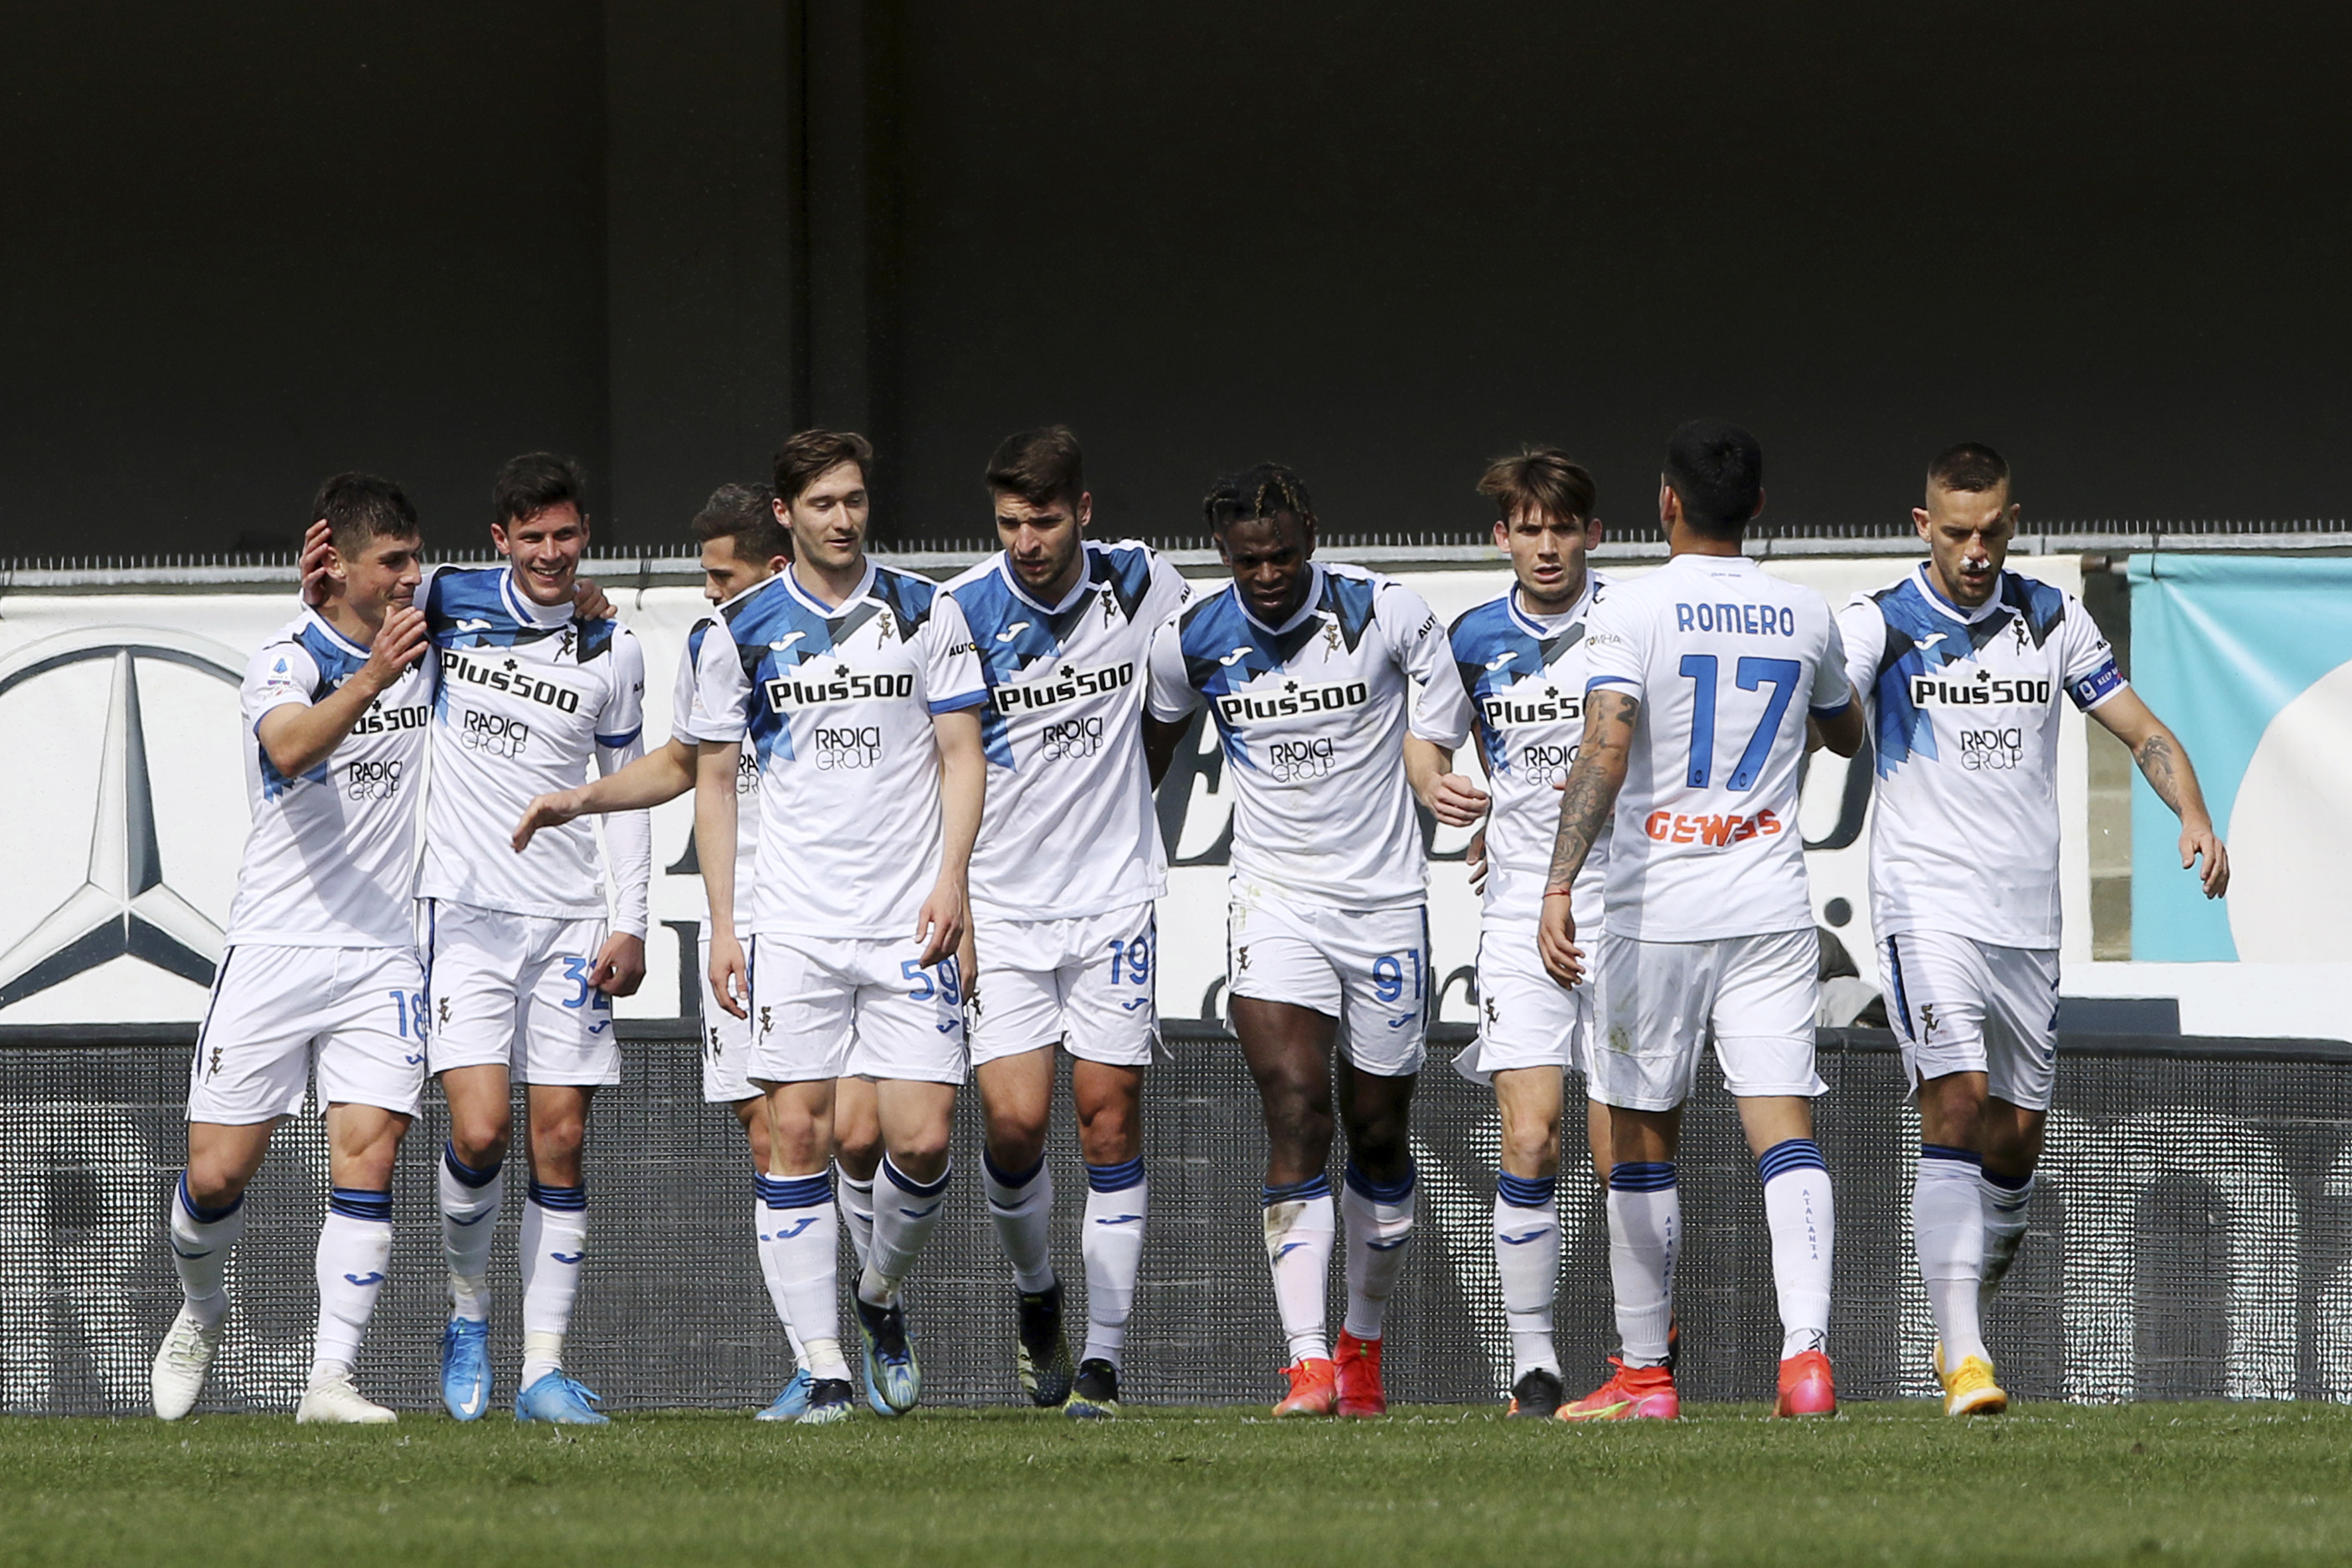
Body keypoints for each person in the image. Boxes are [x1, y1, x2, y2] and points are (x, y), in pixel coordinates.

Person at [1840, 442, 2229, 1417]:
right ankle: (1967, 1357)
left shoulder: (2051, 617)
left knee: (2013, 1145)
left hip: (2026, 923)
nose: (1975, 550)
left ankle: (1963, 1308)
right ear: (1921, 524)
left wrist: (2194, 812)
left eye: (1991, 530)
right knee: (1956, 1100)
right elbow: (1832, 713)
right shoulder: (1882, 622)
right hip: (1925, 903)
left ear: (2015, 523)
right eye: (1956, 531)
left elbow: (2144, 732)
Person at [1537, 420, 1863, 1421]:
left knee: (1638, 1141)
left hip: (1656, 908)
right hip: (1768, 904)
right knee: (1784, 1131)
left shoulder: (1629, 609)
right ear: (1758, 507)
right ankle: (1806, 1358)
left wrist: (1558, 882)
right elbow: (1847, 731)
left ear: (1666, 503)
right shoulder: (1807, 614)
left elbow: (1606, 744)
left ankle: (1646, 1379)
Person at [510, 482, 839, 1421]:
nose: (709, 592)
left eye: (721, 576)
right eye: (703, 575)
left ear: (778, 568)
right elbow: (682, 765)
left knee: (854, 1138)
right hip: (745, 925)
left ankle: (873, 1316)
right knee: (770, 1136)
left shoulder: (870, 635)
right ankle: (818, 1364)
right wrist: (587, 796)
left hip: (836, 929)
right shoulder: (711, 646)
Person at [684, 429, 988, 1423]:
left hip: (909, 922)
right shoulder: (738, 630)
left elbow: (960, 752)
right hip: (797, 926)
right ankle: (824, 1370)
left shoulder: (924, 607)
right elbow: (716, 782)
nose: (843, 518)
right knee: (793, 1137)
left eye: (854, 498)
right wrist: (728, 923)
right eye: (822, 503)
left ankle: (878, 1295)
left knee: (925, 1138)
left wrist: (954, 879)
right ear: (785, 514)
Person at [1144, 463, 1450, 1419]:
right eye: (1247, 559)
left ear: (1312, 534)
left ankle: (1363, 1338)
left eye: (1282, 553)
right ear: (1222, 555)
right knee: (1294, 1109)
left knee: (1377, 1131)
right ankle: (1309, 1359)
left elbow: (1433, 735)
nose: (1267, 573)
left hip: (1387, 904)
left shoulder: (1388, 613)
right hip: (1274, 899)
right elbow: (1144, 762)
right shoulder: (1191, 640)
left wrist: (1434, 773)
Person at [152, 473, 434, 1425]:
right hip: (275, 945)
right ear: (341, 565)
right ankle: (200, 1306)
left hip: (383, 950)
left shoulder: (425, 635)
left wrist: (591, 598)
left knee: (368, 1153)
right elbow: (288, 748)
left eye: (414, 558)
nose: (410, 577)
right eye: (391, 562)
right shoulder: (285, 656)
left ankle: (330, 1379)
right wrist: (372, 675)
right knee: (217, 1174)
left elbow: (527, 585)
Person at [943, 427, 1190, 1418]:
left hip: (1113, 897)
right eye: (1009, 522)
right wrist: (949, 891)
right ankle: (1037, 1289)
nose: (1026, 541)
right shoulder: (960, 607)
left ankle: (1103, 1360)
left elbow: (1183, 689)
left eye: (1043, 519)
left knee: (1109, 1114)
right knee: (1012, 1125)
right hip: (1001, 905)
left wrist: (1135, 782)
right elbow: (940, 759)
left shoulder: (1143, 581)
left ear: (1083, 512)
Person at [418, 453, 651, 1425]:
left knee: (561, 1138)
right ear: (499, 540)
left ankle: (540, 1370)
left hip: (566, 922)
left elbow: (630, 790)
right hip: (464, 911)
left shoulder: (613, 644)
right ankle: (467, 1314)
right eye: (534, 537)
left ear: (583, 532)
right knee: (480, 1129)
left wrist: (629, 918)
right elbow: (354, 600)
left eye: (568, 535)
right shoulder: (442, 599)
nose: (553, 554)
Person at [1407, 447, 1618, 1419]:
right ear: (1501, 536)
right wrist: (1434, 783)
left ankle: (1643, 1359)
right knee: (1530, 1136)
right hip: (1515, 913)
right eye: (1527, 528)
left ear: (1594, 533)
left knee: (1626, 1154)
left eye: (1561, 527)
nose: (1545, 545)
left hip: (1627, 908)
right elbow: (1429, 736)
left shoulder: (1629, 622)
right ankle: (1532, 1365)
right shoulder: (1475, 634)